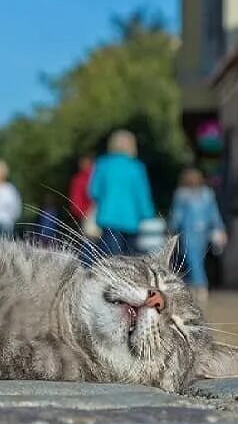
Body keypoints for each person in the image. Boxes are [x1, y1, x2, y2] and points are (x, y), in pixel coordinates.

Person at [88, 130, 155, 256]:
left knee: (110, 258)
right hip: (132, 220)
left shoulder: (103, 164)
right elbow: (142, 196)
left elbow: (94, 191)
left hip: (108, 217)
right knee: (130, 258)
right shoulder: (137, 167)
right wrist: (147, 214)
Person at [168, 168, 227, 308]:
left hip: (188, 231)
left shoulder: (182, 194)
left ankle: (200, 286)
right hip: (203, 232)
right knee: (198, 259)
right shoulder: (207, 194)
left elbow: (177, 216)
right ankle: (198, 286)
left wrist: (170, 229)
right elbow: (214, 214)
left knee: (192, 259)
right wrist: (220, 228)